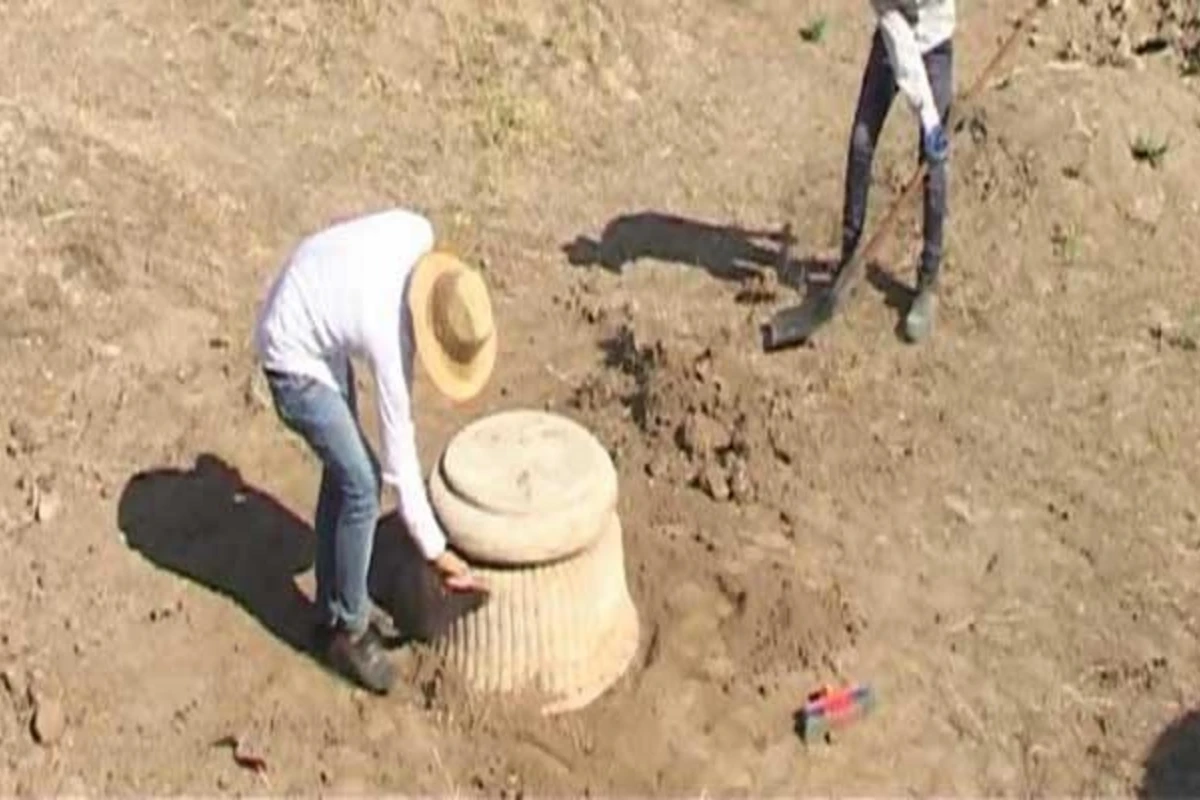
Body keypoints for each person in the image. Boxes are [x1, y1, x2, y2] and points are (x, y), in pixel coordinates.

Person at [253, 208, 496, 694]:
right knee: (361, 483)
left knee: (344, 471)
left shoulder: (416, 232)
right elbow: (400, 468)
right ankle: (346, 630)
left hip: (312, 309)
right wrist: (438, 551)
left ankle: (335, 602)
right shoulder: (386, 334)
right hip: (290, 354)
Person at [840, 0, 955, 342]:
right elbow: (899, 40)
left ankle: (928, 281)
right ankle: (847, 261)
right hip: (894, 40)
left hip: (936, 43)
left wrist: (932, 123)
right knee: (861, 142)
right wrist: (928, 114)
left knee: (934, 164)